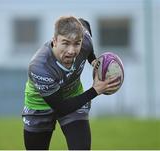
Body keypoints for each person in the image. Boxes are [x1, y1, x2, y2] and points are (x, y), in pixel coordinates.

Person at [22, 16, 120, 150]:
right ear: (55, 40)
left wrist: (93, 60)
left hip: (73, 96)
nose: (72, 50)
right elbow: (61, 108)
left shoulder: (85, 39)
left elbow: (85, 25)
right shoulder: (40, 66)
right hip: (39, 106)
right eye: (66, 43)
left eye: (76, 43)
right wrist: (95, 90)